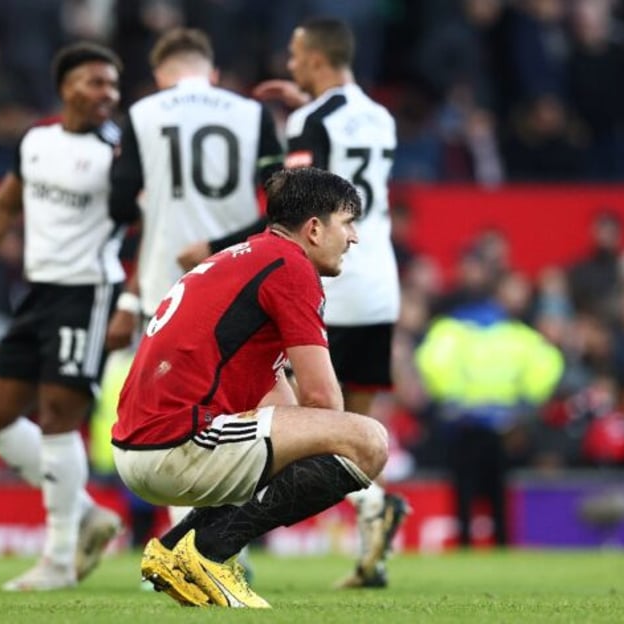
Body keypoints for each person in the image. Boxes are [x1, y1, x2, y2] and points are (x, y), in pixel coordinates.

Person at [186, 17, 410, 588]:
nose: (289, 65)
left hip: (326, 279)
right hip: (379, 276)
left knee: (284, 415)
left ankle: (223, 542)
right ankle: (371, 522)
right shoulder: (380, 116)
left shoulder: (311, 121)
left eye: (295, 55)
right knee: (350, 426)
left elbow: (293, 204)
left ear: (314, 58)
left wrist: (213, 247)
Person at [111, 167, 389, 608]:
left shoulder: (243, 259)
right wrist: (334, 454)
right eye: (347, 222)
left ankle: (175, 551)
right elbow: (323, 403)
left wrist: (308, 446)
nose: (353, 237)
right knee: (369, 441)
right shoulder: (291, 268)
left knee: (320, 444)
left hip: (141, 446)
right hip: (175, 442)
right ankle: (207, 553)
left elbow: (287, 411)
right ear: (314, 229)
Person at [0, 42, 126, 591]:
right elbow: (2, 206)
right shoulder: (37, 141)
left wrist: (132, 300)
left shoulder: (115, 153)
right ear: (66, 86)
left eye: (112, 85)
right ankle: (87, 513)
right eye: (95, 82)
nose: (106, 95)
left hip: (87, 292)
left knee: (59, 413)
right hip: (38, 291)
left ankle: (60, 559)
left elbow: (146, 216)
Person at [107, 27, 283, 571]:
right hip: (243, 277)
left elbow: (118, 203)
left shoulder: (143, 113)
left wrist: (150, 204)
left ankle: (191, 546)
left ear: (162, 77)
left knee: (178, 418)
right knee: (245, 405)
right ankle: (232, 542)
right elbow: (284, 200)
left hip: (171, 282)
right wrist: (224, 242)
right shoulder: (251, 112)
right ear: (210, 73)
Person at [416, 273, 564, 547]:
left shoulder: (451, 330)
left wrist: (451, 398)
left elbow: (431, 361)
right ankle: (502, 542)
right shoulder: (518, 335)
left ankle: (465, 543)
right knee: (498, 491)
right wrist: (525, 402)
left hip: (462, 422)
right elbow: (548, 365)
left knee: (464, 490)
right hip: (504, 424)